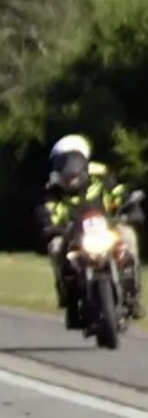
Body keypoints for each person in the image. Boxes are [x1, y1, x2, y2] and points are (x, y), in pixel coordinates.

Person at [39, 135, 143, 320]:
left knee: (128, 236)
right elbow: (47, 211)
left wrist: (130, 208)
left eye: (74, 161)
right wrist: (50, 226)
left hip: (107, 228)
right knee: (55, 246)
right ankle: (65, 290)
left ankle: (133, 294)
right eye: (64, 162)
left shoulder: (101, 178)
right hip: (74, 235)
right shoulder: (54, 190)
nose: (70, 169)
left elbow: (119, 194)